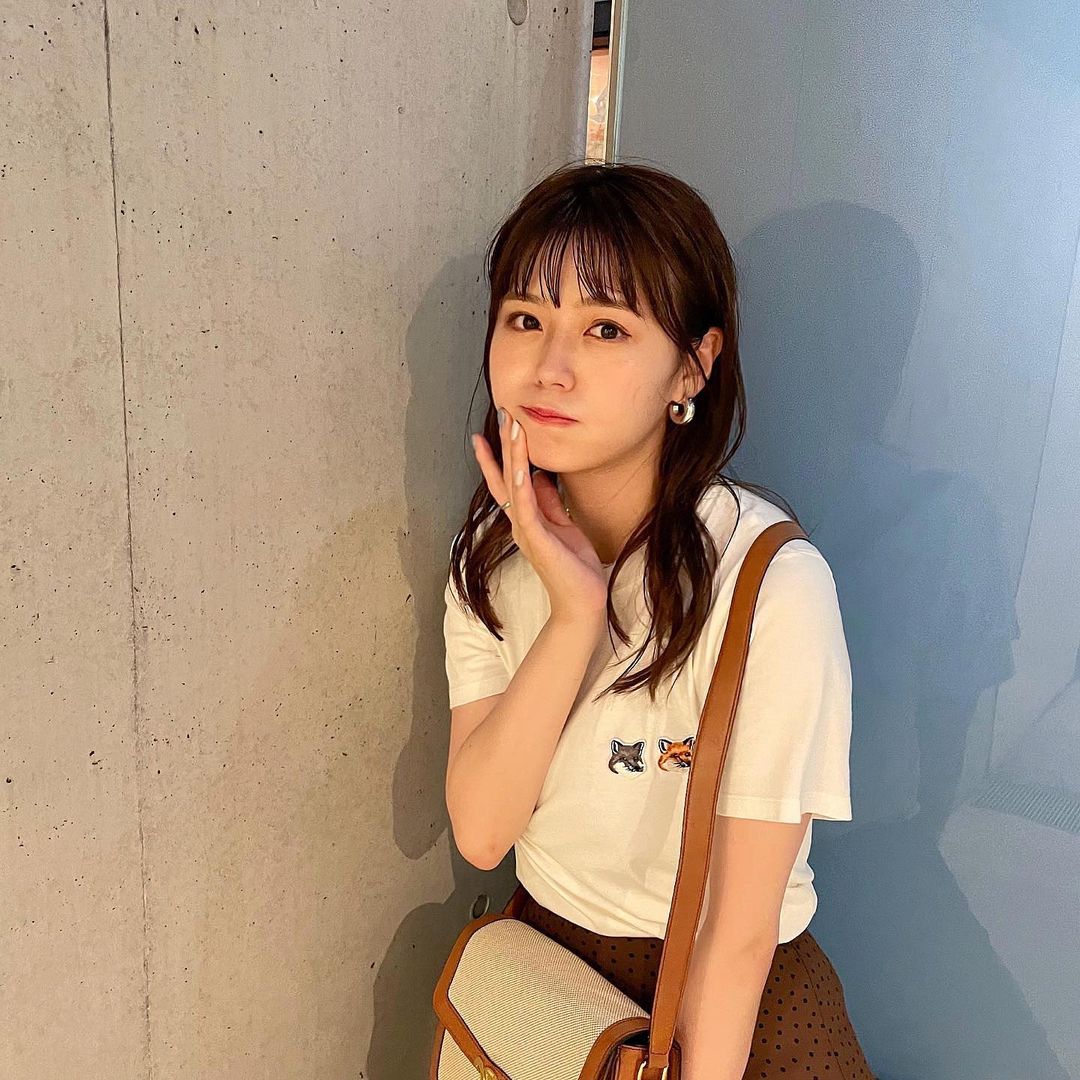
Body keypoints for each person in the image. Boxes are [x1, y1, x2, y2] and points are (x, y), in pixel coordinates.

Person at [441, 161, 874, 1079]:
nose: (550, 368)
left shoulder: (770, 583)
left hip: (726, 1010)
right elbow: (482, 832)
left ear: (692, 365)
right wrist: (575, 615)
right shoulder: (491, 553)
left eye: (605, 328)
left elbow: (739, 932)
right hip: (551, 981)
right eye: (526, 319)